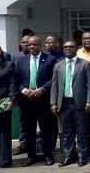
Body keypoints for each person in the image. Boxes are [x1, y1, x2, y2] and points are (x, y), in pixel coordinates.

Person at [13, 36, 57, 167]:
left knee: (46, 129)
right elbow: (16, 80)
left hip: (43, 99)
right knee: (28, 129)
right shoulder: (21, 61)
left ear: (40, 45)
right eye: (29, 45)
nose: (32, 47)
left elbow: (54, 78)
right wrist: (23, 90)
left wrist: (42, 89)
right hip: (26, 100)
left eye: (35, 44)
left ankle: (48, 155)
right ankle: (31, 156)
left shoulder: (49, 59)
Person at [50, 41, 90, 167]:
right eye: (65, 47)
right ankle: (68, 156)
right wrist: (53, 102)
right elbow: (54, 85)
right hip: (64, 103)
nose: (68, 49)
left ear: (76, 48)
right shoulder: (58, 65)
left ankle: (82, 156)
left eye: (71, 46)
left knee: (81, 132)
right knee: (67, 132)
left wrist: (89, 101)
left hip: (80, 103)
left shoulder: (85, 64)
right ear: (62, 49)